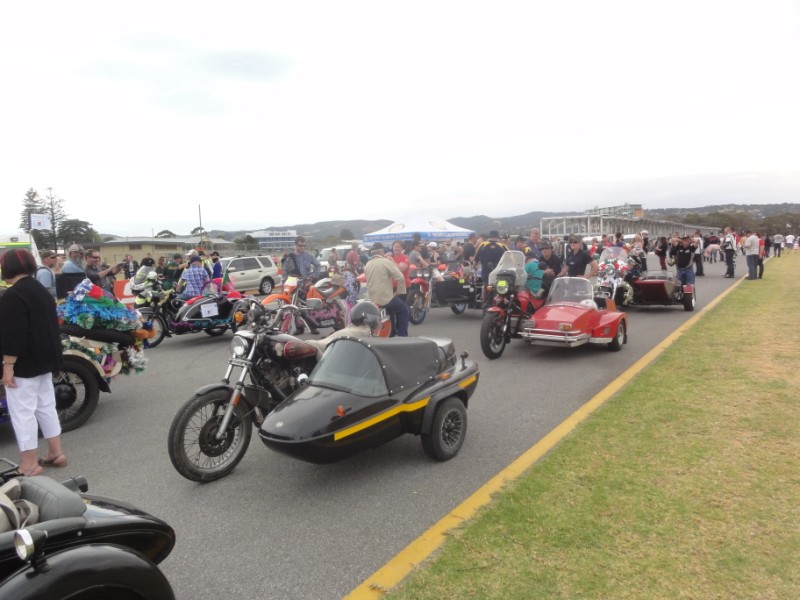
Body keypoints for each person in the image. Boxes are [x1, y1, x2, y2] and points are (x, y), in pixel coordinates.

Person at [0, 249, 67, 477]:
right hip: (45, 359)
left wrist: (8, 366)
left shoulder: (13, 295)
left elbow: (12, 335)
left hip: (25, 363)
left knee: (22, 412)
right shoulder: (41, 290)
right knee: (46, 405)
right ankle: (55, 452)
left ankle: (28, 463)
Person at [364, 243, 409, 337]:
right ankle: (402, 335)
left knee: (391, 310)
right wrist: (399, 292)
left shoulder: (368, 264)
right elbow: (400, 277)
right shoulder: (385, 262)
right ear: (381, 251)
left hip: (372, 298)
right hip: (385, 297)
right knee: (403, 310)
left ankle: (392, 331)